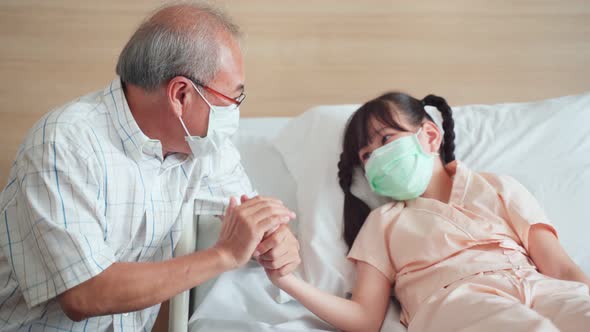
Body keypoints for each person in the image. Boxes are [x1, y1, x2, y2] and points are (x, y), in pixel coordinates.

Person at [0, 2, 300, 331]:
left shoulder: (201, 146)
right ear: (181, 94)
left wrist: (276, 238)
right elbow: (84, 294)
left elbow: (251, 216)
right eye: (233, 97)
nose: (234, 110)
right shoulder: (64, 145)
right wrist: (223, 255)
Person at [265, 92, 590, 331]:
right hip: (456, 303)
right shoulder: (383, 222)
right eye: (366, 155)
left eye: (386, 138)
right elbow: (364, 318)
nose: (377, 156)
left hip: (537, 287)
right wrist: (286, 281)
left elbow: (560, 269)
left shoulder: (499, 187)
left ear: (430, 135)